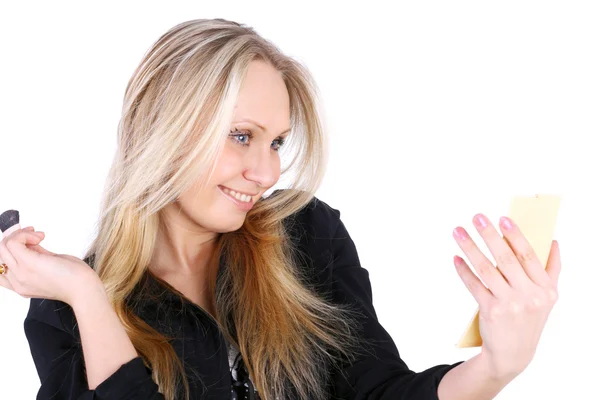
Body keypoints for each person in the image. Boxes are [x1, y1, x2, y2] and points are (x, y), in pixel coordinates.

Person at [0, 18, 561, 400]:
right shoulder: (65, 313)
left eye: (276, 143)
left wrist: (495, 368)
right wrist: (88, 297)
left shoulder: (307, 235)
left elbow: (376, 391)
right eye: (241, 136)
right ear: (161, 130)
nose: (266, 174)